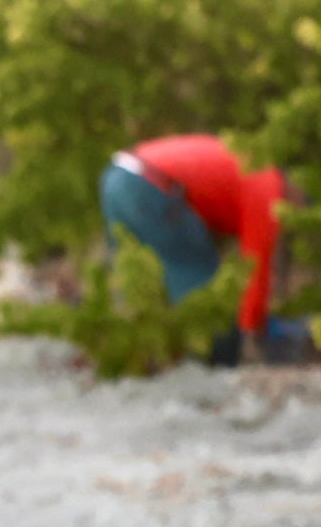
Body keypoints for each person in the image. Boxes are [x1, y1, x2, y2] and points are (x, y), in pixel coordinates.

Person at [99, 133, 290, 360]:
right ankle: (214, 360)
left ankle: (129, 358)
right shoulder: (268, 187)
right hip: (148, 184)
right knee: (206, 290)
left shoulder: (249, 167)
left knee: (128, 281)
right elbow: (254, 265)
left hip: (117, 176)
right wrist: (251, 329)